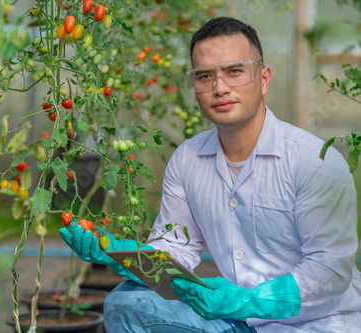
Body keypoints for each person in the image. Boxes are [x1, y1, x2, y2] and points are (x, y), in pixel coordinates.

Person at [60, 17, 361, 332]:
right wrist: (117, 252)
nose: (220, 88)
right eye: (205, 76)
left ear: (264, 78)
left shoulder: (314, 161)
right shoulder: (188, 159)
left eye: (234, 71)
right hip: (236, 321)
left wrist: (247, 301)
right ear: (194, 86)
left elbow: (331, 270)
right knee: (127, 303)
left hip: (319, 323)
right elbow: (174, 253)